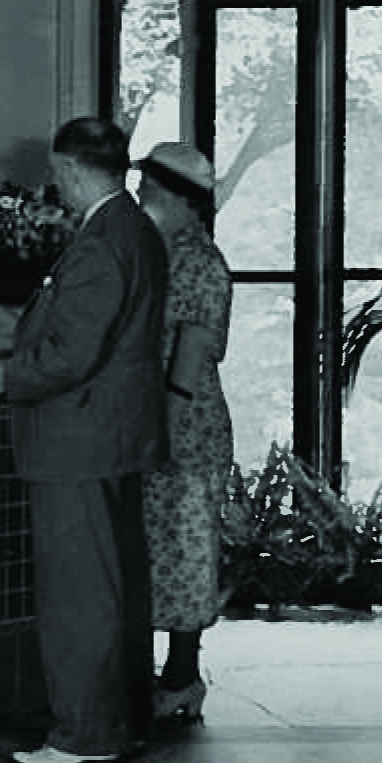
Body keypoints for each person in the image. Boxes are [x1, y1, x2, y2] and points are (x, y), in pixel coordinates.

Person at [0, 114, 168, 763]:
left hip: (78, 437)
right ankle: (120, 719)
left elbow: (70, 355)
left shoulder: (101, 240)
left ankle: (82, 733)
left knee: (79, 591)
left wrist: (4, 375)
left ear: (69, 169)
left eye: (57, 173)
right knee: (115, 583)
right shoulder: (135, 229)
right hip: (112, 435)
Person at [134, 142, 234, 727]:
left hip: (186, 422)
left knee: (185, 548)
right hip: (158, 416)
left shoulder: (199, 261)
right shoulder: (162, 252)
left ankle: (181, 677)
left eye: (151, 192)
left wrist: (166, 427)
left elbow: (194, 349)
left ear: (181, 200)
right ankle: (159, 674)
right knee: (158, 548)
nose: (144, 201)